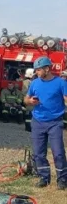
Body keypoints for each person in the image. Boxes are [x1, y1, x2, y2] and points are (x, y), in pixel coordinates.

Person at [23, 56, 67, 189]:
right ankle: (44, 177)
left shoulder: (60, 83)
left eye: (39, 70)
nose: (36, 72)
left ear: (47, 69)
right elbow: (26, 99)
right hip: (38, 122)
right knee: (38, 153)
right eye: (35, 70)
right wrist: (30, 101)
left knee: (58, 152)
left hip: (55, 122)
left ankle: (62, 179)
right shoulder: (35, 83)